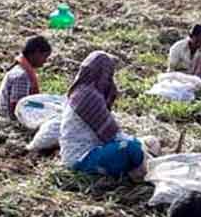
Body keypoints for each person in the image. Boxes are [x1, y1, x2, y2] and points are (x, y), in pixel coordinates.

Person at [59, 51, 147, 179]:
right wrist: (137, 144)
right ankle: (137, 174)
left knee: (140, 144)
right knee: (131, 148)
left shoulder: (81, 92)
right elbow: (113, 135)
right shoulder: (88, 96)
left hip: (86, 150)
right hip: (81, 158)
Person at [0, 35, 52, 119]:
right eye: (45, 56)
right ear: (36, 53)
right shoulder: (22, 76)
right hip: (7, 120)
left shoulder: (22, 70)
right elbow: (17, 108)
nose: (45, 61)